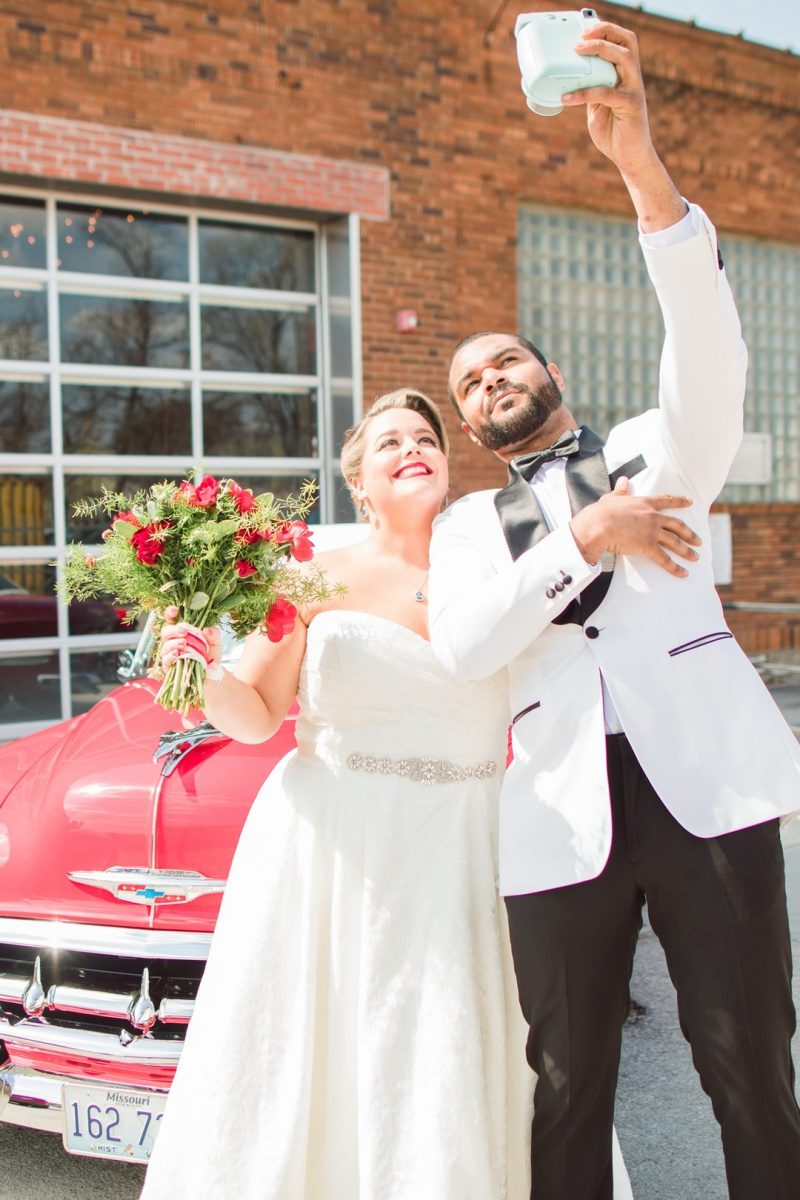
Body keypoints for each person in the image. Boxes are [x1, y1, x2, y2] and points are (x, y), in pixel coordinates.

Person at [139, 386, 701, 1199]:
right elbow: (257, 716)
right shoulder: (309, 577)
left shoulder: (504, 567)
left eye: (426, 437)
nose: (413, 447)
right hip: (332, 845)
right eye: (390, 441)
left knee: (450, 1046)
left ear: (446, 464)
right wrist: (196, 670)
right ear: (358, 481)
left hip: (466, 844)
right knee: (323, 1050)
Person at [428, 18, 800, 1200]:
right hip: (553, 820)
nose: (490, 381)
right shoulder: (461, 530)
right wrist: (585, 533)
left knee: (747, 1064)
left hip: (703, 790)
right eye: (467, 382)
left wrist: (638, 166)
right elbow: (466, 645)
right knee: (565, 1077)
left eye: (503, 362)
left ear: (547, 373)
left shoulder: (651, 448)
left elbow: (706, 343)